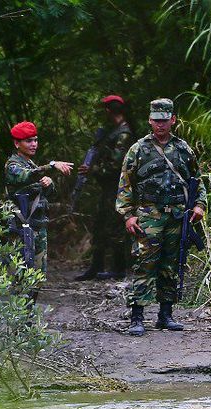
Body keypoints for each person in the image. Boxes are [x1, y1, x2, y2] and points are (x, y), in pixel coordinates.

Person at [116, 98, 207, 336]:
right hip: (148, 214)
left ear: (173, 120)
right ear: (149, 120)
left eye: (164, 120)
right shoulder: (138, 149)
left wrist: (199, 205)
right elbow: (126, 184)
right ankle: (137, 317)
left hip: (177, 215)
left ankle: (165, 315)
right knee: (144, 264)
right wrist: (127, 215)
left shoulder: (183, 149)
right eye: (156, 121)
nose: (160, 125)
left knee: (171, 265)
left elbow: (197, 179)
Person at [75, 95, 135, 281]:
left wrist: (92, 169)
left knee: (115, 227)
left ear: (109, 110)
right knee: (100, 225)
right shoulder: (114, 132)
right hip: (109, 188)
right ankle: (96, 267)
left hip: (118, 188)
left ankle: (118, 269)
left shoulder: (123, 134)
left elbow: (115, 165)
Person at [4, 121, 73, 273]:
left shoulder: (31, 164)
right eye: (29, 141)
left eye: (35, 140)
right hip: (21, 228)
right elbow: (25, 176)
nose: (34, 144)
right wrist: (52, 166)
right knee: (19, 275)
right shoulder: (13, 165)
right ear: (17, 143)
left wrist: (49, 183)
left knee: (37, 276)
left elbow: (50, 194)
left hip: (38, 225)